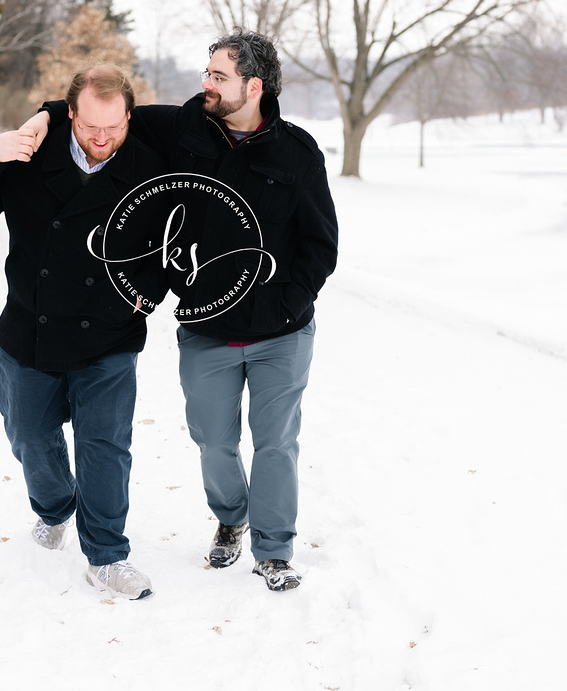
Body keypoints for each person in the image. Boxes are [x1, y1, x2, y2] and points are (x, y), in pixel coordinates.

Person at [25, 30, 338, 592]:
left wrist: (289, 301)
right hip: (206, 328)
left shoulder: (298, 151)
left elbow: (321, 244)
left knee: (275, 442)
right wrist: (49, 114)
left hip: (282, 333)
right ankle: (231, 516)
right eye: (206, 72)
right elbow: (102, 112)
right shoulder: (184, 126)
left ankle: (273, 550)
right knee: (213, 440)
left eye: (218, 76)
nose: (206, 84)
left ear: (253, 86)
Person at [0, 64, 168, 600]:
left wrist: (149, 291)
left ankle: (106, 556)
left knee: (105, 447)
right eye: (89, 126)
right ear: (69, 113)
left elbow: (175, 235)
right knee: (27, 433)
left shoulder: (152, 168)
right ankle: (53, 508)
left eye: (114, 127)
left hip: (110, 334)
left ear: (129, 117)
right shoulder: (32, 154)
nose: (102, 139)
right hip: (31, 329)